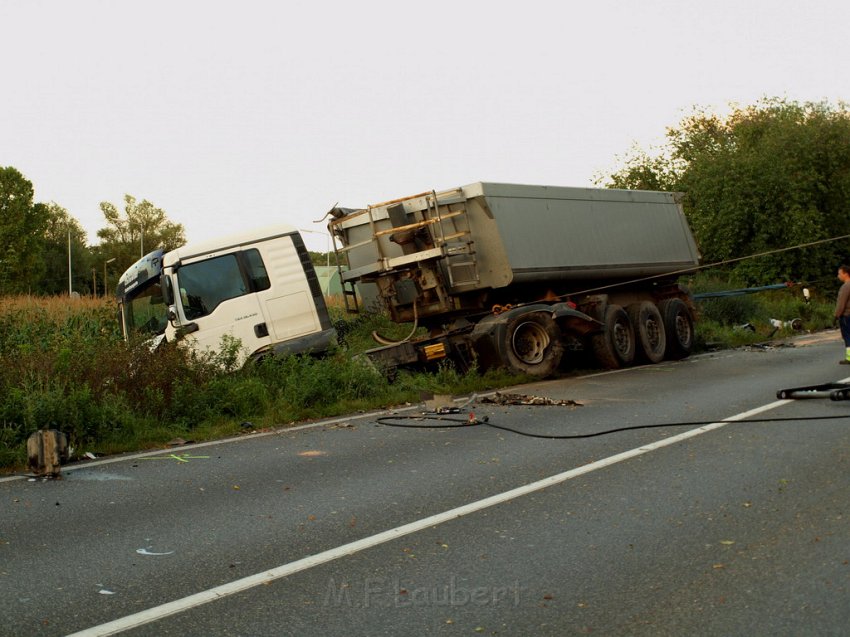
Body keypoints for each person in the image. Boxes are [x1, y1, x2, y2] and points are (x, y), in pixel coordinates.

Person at [836, 265, 850, 364]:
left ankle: (849, 358)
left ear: (845, 273)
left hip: (846, 315)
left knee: (848, 336)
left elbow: (841, 303)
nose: (838, 276)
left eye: (839, 273)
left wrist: (836, 315)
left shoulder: (846, 286)